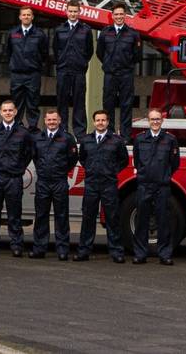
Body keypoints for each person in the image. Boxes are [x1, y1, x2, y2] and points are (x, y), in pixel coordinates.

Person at [74, 110, 128, 263]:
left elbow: (123, 160)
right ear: (93, 122)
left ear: (108, 122)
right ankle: (84, 251)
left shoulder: (116, 141)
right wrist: (91, 169)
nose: (100, 123)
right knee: (88, 218)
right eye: (97, 120)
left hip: (109, 184)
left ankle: (116, 252)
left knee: (112, 218)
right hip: (91, 183)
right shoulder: (86, 140)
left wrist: (111, 171)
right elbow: (82, 158)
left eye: (103, 120)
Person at [0, 100, 34, 257]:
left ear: (15, 112)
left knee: (14, 213)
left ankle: (16, 244)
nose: (7, 113)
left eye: (10, 110)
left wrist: (18, 168)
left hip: (14, 178)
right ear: (0, 112)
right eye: (5, 110)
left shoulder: (23, 133)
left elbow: (28, 154)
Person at [131, 108, 179, 265]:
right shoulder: (140, 139)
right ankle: (140, 253)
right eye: (152, 119)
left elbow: (174, 163)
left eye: (158, 119)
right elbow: (137, 161)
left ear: (162, 121)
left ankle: (164, 254)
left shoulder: (170, 140)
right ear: (148, 121)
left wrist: (164, 175)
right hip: (144, 184)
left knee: (164, 221)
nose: (155, 122)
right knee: (141, 221)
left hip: (162, 186)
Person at [30, 109, 78, 260]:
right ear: (44, 121)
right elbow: (35, 157)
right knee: (41, 216)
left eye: (54, 120)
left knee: (62, 217)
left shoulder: (67, 138)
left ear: (59, 121)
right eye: (49, 120)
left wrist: (61, 171)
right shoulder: (38, 138)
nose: (51, 122)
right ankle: (39, 248)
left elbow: (73, 159)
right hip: (43, 182)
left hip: (59, 182)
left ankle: (62, 250)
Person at [96, 3, 141, 140]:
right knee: (108, 104)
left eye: (121, 14)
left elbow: (137, 55)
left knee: (126, 105)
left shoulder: (133, 34)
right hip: (110, 74)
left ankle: (125, 135)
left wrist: (126, 64)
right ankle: (108, 134)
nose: (119, 17)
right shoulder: (105, 32)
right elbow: (100, 53)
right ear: (112, 16)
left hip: (126, 74)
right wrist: (109, 64)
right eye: (116, 14)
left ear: (125, 15)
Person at [52, 0, 93, 136]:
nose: (73, 14)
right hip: (63, 70)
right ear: (66, 12)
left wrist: (82, 62)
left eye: (75, 11)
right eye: (70, 11)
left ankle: (80, 132)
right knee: (61, 101)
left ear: (79, 12)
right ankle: (62, 130)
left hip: (79, 71)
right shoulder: (59, 29)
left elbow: (89, 51)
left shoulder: (86, 30)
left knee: (79, 101)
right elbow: (55, 49)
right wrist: (61, 62)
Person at [3, 6, 48, 128]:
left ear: (32, 17)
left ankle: (33, 129)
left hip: (33, 74)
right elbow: (7, 52)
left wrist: (36, 64)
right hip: (17, 74)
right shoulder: (12, 33)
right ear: (20, 17)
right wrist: (14, 64)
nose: (26, 17)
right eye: (24, 15)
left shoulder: (39, 34)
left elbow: (44, 53)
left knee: (33, 104)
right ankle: (16, 128)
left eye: (28, 15)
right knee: (16, 104)